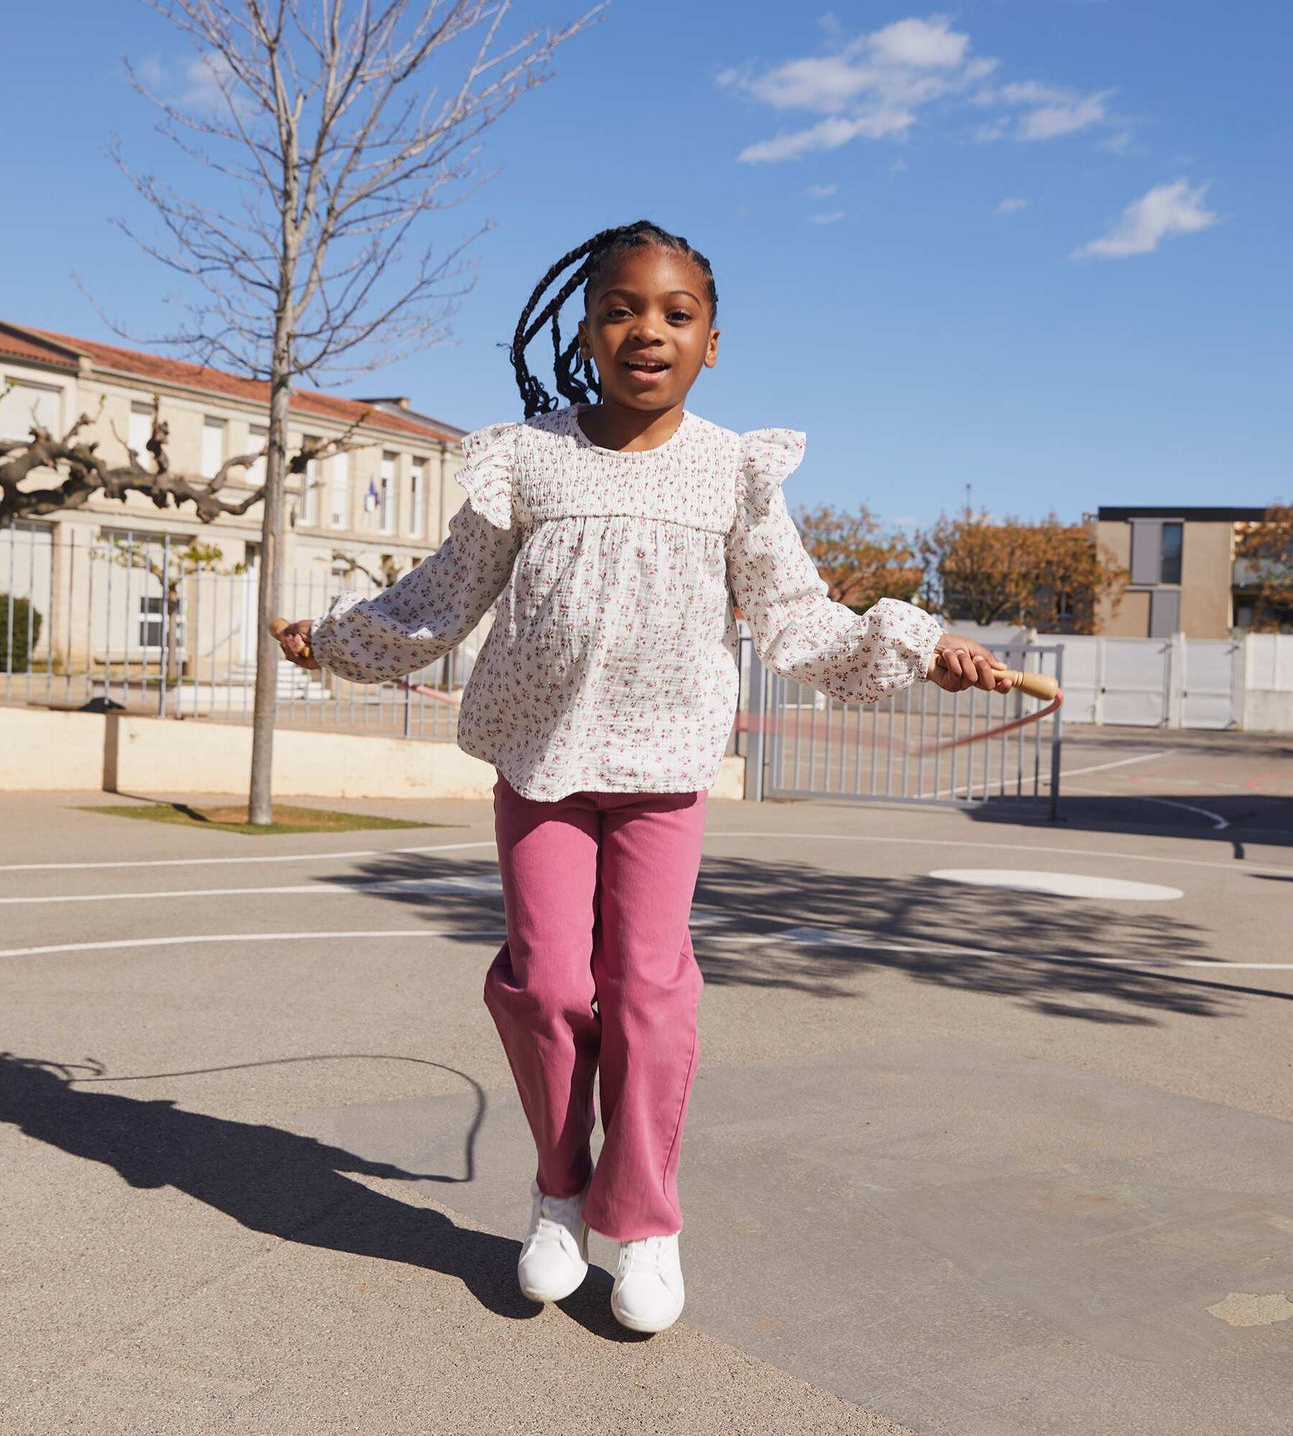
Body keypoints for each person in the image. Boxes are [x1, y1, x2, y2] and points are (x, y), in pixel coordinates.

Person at [275, 220, 1009, 1334]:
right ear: (585, 326)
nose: (646, 330)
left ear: (711, 341)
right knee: (551, 986)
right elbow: (441, 593)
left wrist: (917, 650)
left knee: (651, 995)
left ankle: (646, 1220)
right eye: (620, 307)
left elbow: (796, 618)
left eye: (675, 313)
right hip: (542, 760)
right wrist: (333, 640)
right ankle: (559, 1189)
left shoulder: (731, 471)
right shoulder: (524, 457)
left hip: (663, 770)